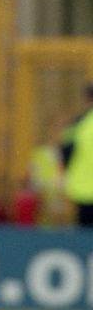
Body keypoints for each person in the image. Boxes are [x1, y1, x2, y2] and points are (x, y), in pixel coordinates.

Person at [61, 83, 93, 226]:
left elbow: (66, 150)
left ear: (87, 99)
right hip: (83, 188)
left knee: (86, 234)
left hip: (83, 189)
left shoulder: (79, 124)